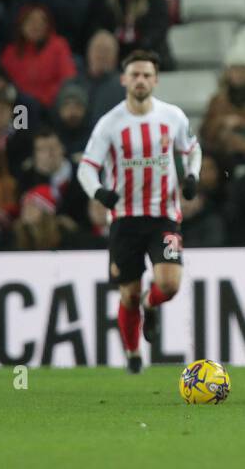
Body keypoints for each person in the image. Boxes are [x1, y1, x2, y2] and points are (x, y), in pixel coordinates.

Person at [76, 50, 202, 374]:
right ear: (124, 79)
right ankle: (133, 352)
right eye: (135, 75)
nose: (141, 80)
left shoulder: (173, 116)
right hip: (124, 219)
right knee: (128, 295)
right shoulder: (110, 123)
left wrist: (191, 177)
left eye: (147, 75)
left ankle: (152, 303)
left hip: (164, 215)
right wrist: (99, 192)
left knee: (170, 284)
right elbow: (86, 168)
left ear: (156, 80)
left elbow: (192, 149)